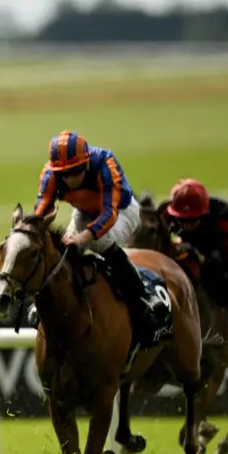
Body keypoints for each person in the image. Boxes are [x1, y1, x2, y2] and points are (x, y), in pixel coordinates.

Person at [33, 130, 154, 328]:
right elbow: (40, 212)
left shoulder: (106, 163)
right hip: (84, 212)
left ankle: (141, 299)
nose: (70, 179)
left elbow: (109, 214)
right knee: (64, 251)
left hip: (123, 211)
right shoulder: (50, 175)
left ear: (87, 163)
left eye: (75, 171)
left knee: (99, 241)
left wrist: (82, 237)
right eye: (64, 174)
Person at [162, 178, 228, 326]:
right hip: (199, 238)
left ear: (203, 215)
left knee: (227, 267)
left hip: (227, 240)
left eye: (192, 220)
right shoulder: (167, 214)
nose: (186, 225)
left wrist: (202, 255)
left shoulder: (225, 221)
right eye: (181, 220)